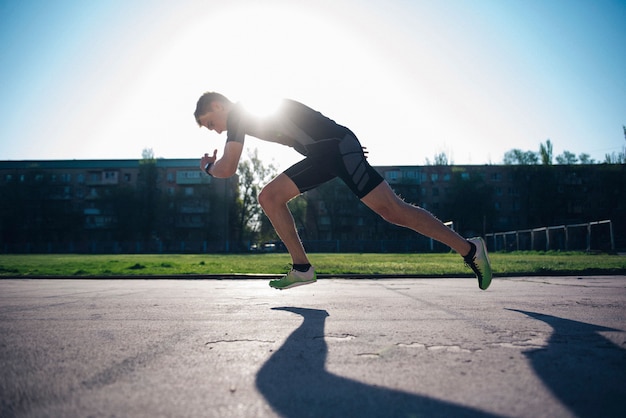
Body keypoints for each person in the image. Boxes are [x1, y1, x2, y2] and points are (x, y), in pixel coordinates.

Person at [195, 92, 492, 290]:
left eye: (210, 123)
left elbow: (228, 168)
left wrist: (208, 167)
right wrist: (343, 141)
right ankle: (302, 267)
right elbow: (304, 117)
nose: (216, 130)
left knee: (393, 211)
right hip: (329, 152)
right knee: (269, 197)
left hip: (334, 150)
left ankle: (469, 248)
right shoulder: (248, 113)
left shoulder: (238, 115)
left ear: (219, 107)